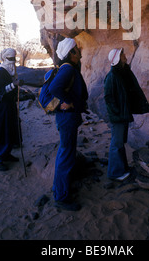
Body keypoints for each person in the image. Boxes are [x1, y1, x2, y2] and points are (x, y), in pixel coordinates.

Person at [49, 37, 88, 211]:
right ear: (72, 53)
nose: (79, 49)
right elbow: (54, 88)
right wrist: (69, 102)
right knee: (66, 154)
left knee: (66, 152)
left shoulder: (70, 68)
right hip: (67, 118)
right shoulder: (68, 70)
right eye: (76, 48)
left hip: (68, 118)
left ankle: (60, 188)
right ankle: (61, 197)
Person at [104, 48, 149, 181]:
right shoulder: (112, 76)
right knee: (116, 143)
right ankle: (115, 173)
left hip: (122, 116)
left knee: (120, 143)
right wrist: (117, 114)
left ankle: (121, 168)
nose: (125, 56)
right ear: (118, 59)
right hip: (118, 117)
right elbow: (108, 97)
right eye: (122, 55)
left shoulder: (120, 72)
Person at [0, 48, 23, 171]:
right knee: (2, 132)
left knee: (10, 130)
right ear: (5, 58)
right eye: (10, 59)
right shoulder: (0, 73)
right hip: (2, 108)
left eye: (14, 58)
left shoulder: (9, 71)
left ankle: (6, 154)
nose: (13, 61)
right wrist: (14, 85)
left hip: (10, 106)